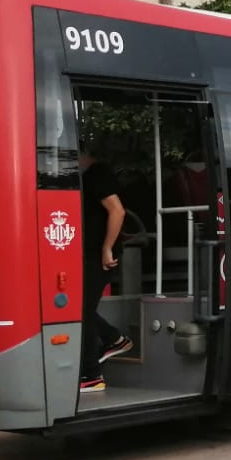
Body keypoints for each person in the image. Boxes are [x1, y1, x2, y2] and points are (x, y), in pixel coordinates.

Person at [79, 149, 133, 392]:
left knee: (82, 312)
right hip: (89, 254)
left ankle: (92, 375)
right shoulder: (89, 176)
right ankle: (113, 338)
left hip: (99, 257)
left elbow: (117, 210)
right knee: (80, 309)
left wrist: (107, 248)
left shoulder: (96, 174)